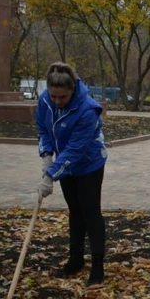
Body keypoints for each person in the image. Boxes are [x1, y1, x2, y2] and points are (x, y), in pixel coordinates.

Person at [36, 62, 109, 286]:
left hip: (89, 163)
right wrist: (47, 155)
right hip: (63, 163)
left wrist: (50, 175)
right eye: (54, 96)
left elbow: (76, 150)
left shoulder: (88, 109)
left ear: (72, 91)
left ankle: (98, 266)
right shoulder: (45, 100)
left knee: (90, 212)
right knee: (74, 211)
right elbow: (43, 129)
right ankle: (75, 259)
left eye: (63, 98)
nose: (57, 101)